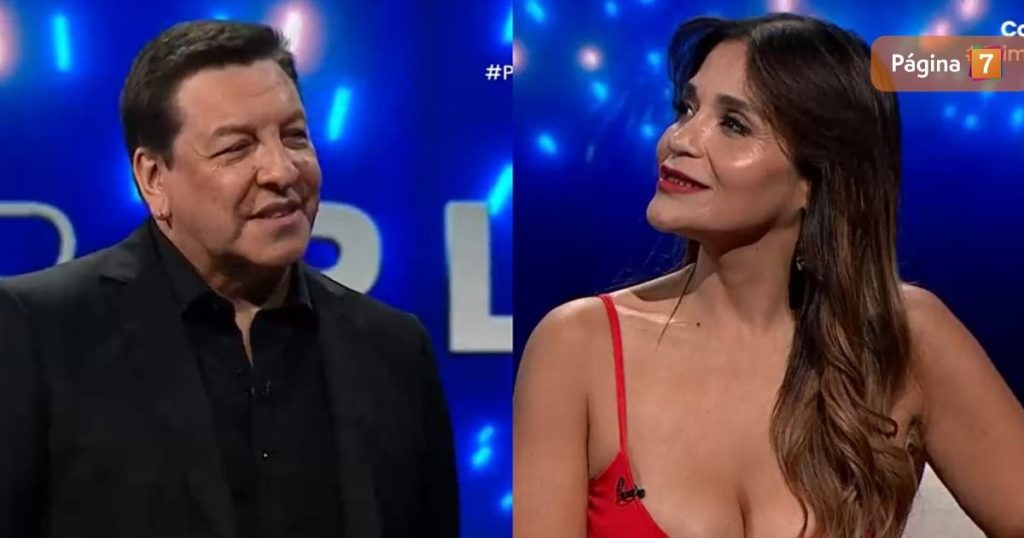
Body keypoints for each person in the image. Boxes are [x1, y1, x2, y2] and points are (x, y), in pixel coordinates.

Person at [513, 13, 1024, 538]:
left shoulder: (902, 336)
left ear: (815, 179)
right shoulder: (577, 346)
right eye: (686, 108)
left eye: (734, 124)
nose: (680, 139)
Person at [0, 20, 458, 538]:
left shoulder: (395, 349)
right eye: (237, 147)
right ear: (154, 178)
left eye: (294, 136)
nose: (282, 171)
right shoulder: (39, 332)